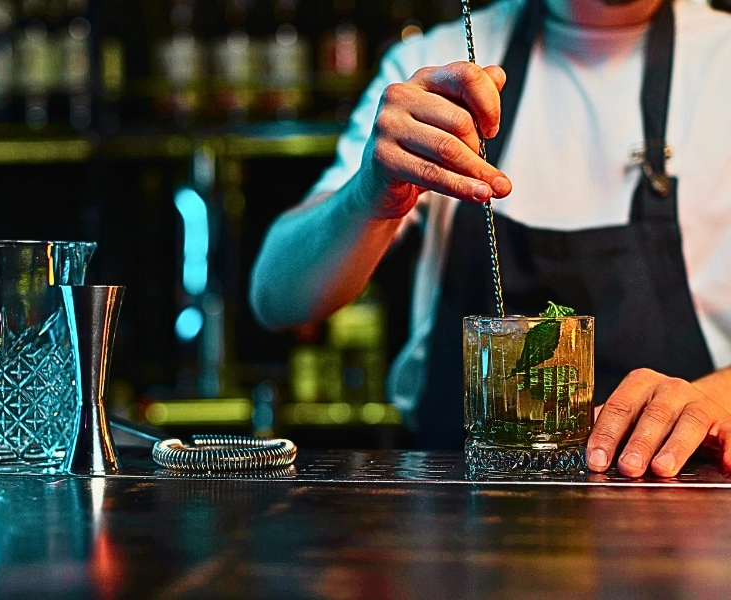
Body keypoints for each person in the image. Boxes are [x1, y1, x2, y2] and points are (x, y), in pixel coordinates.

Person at [249, 0, 731, 477]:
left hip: (677, 496)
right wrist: (368, 196)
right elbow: (277, 297)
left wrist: (716, 396)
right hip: (457, 503)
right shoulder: (439, 63)